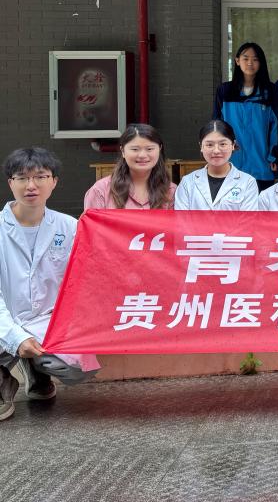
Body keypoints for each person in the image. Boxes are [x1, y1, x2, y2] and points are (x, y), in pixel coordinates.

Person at [1, 147, 99, 421]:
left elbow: (82, 280)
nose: (31, 185)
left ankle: (36, 370)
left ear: (54, 181)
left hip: (46, 320)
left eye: (40, 177)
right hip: (3, 318)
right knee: (9, 339)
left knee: (76, 367)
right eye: (22, 178)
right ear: (11, 183)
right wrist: (16, 338)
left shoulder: (68, 226)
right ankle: (3, 381)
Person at [213, 42, 278, 187]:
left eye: (255, 59)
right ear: (237, 61)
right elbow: (216, 127)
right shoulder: (225, 91)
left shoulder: (270, 91)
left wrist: (274, 156)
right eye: (245, 58)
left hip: (262, 165)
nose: (250, 63)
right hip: (231, 164)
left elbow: (276, 127)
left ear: (261, 63)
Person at [84, 123, 176, 209]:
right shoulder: (100, 191)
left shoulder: (171, 192)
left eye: (149, 149)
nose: (142, 155)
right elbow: (91, 221)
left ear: (159, 149)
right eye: (135, 149)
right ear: (123, 151)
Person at [174, 120, 259, 210]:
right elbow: (181, 217)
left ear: (233, 145)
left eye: (223, 144)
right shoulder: (187, 182)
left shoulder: (248, 182)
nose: (216, 150)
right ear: (201, 146)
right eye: (209, 145)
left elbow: (248, 218)